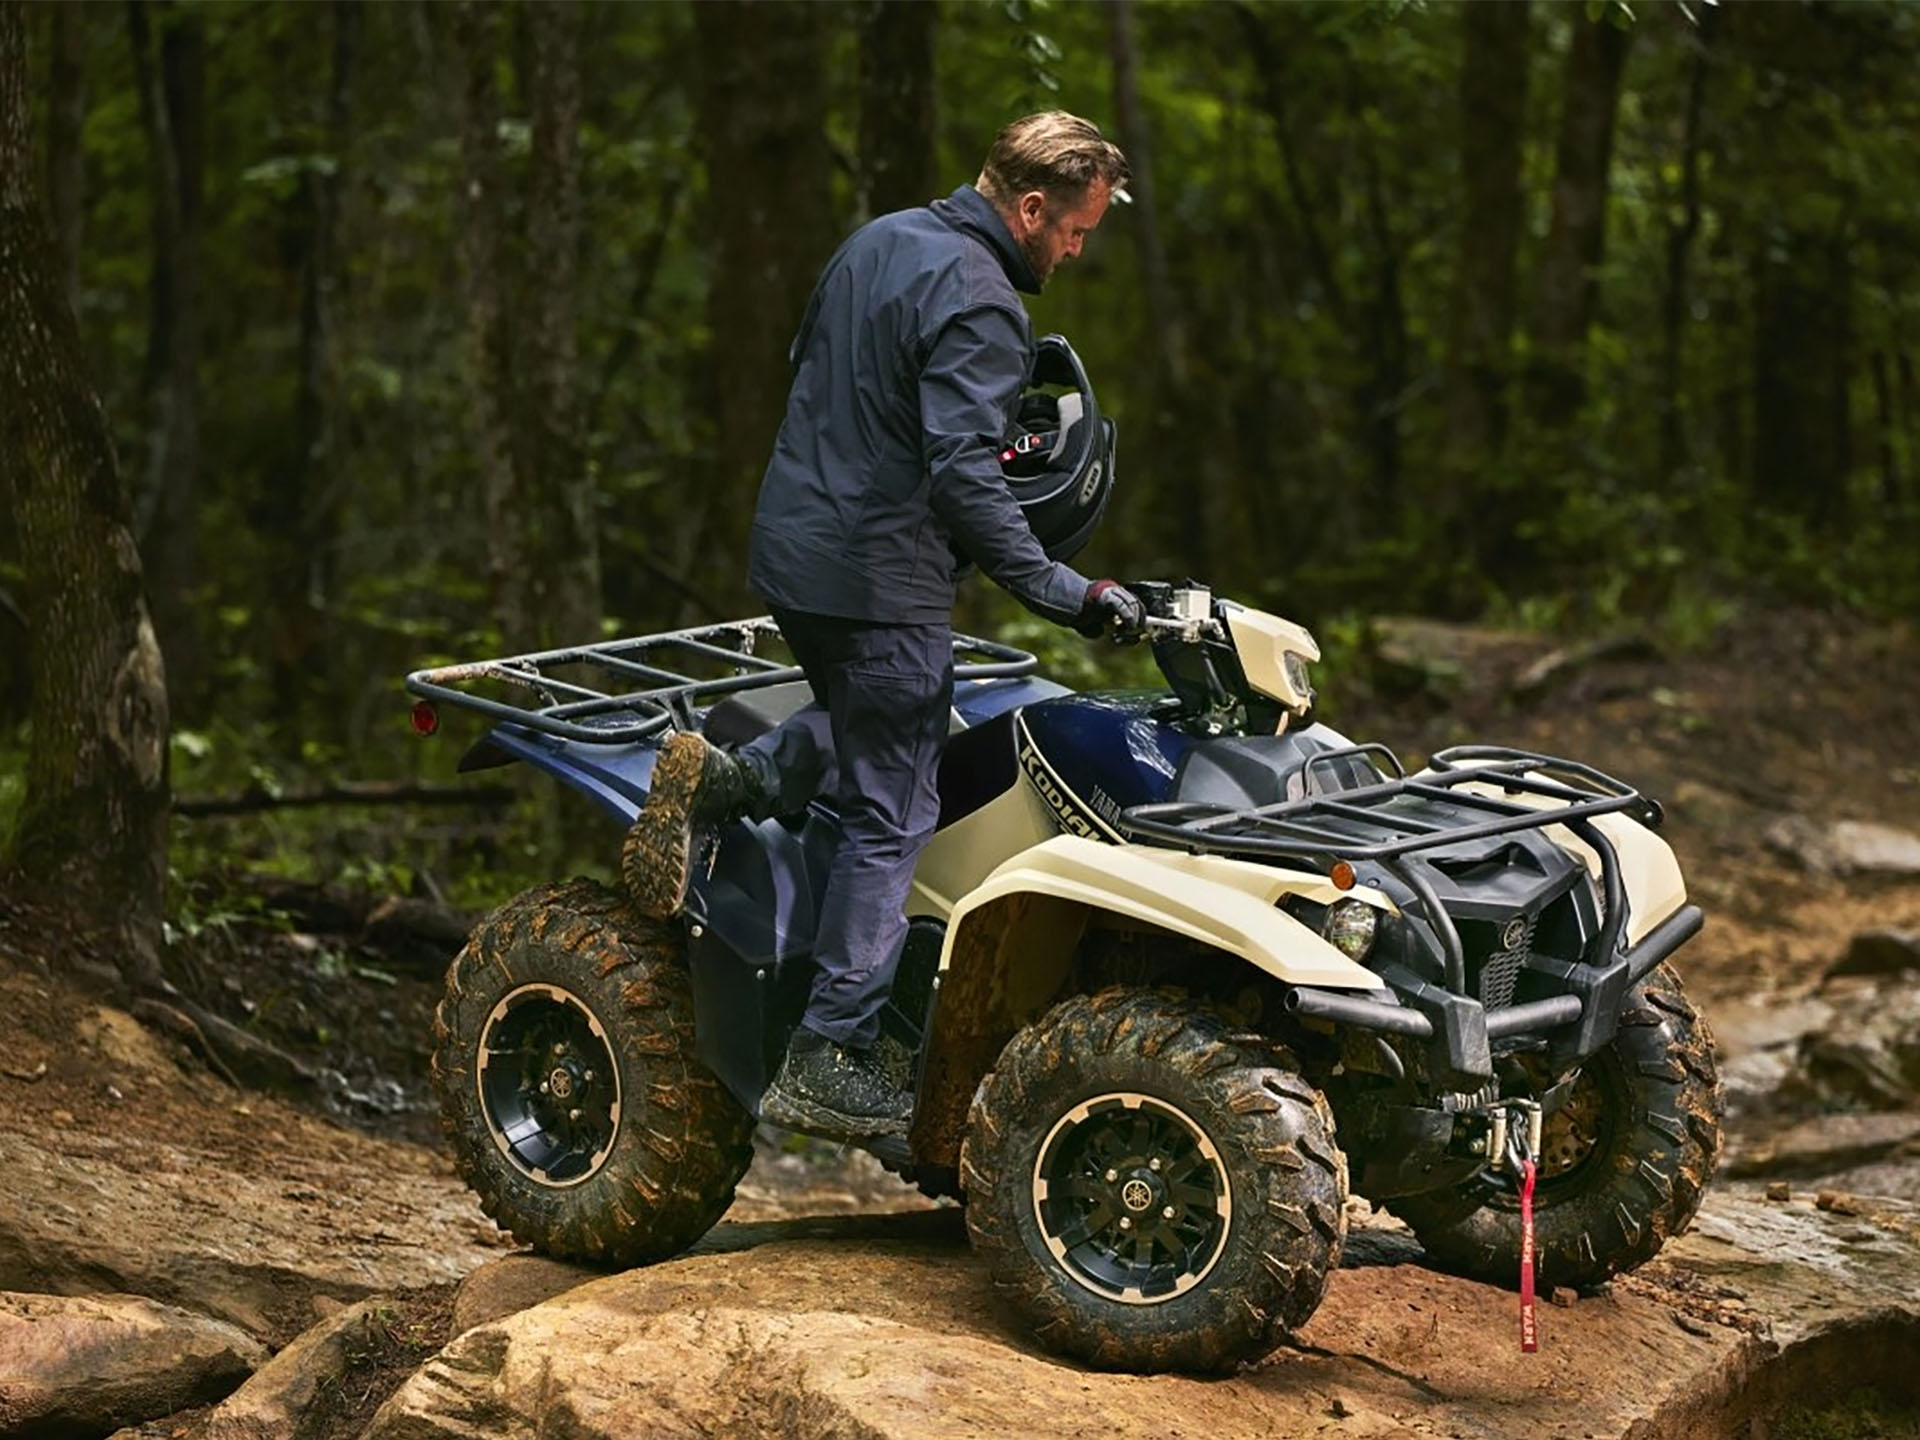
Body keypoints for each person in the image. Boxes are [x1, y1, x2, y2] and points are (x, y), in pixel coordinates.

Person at [622, 110, 1144, 1142]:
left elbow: (823, 379)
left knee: (886, 718)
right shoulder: (987, 301)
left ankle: (737, 780)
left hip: (795, 554)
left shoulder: (880, 239)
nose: (1077, 249)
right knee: (893, 806)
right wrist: (1063, 590)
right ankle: (831, 1050)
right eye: (1075, 229)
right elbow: (962, 474)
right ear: (1030, 208)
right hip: (876, 577)